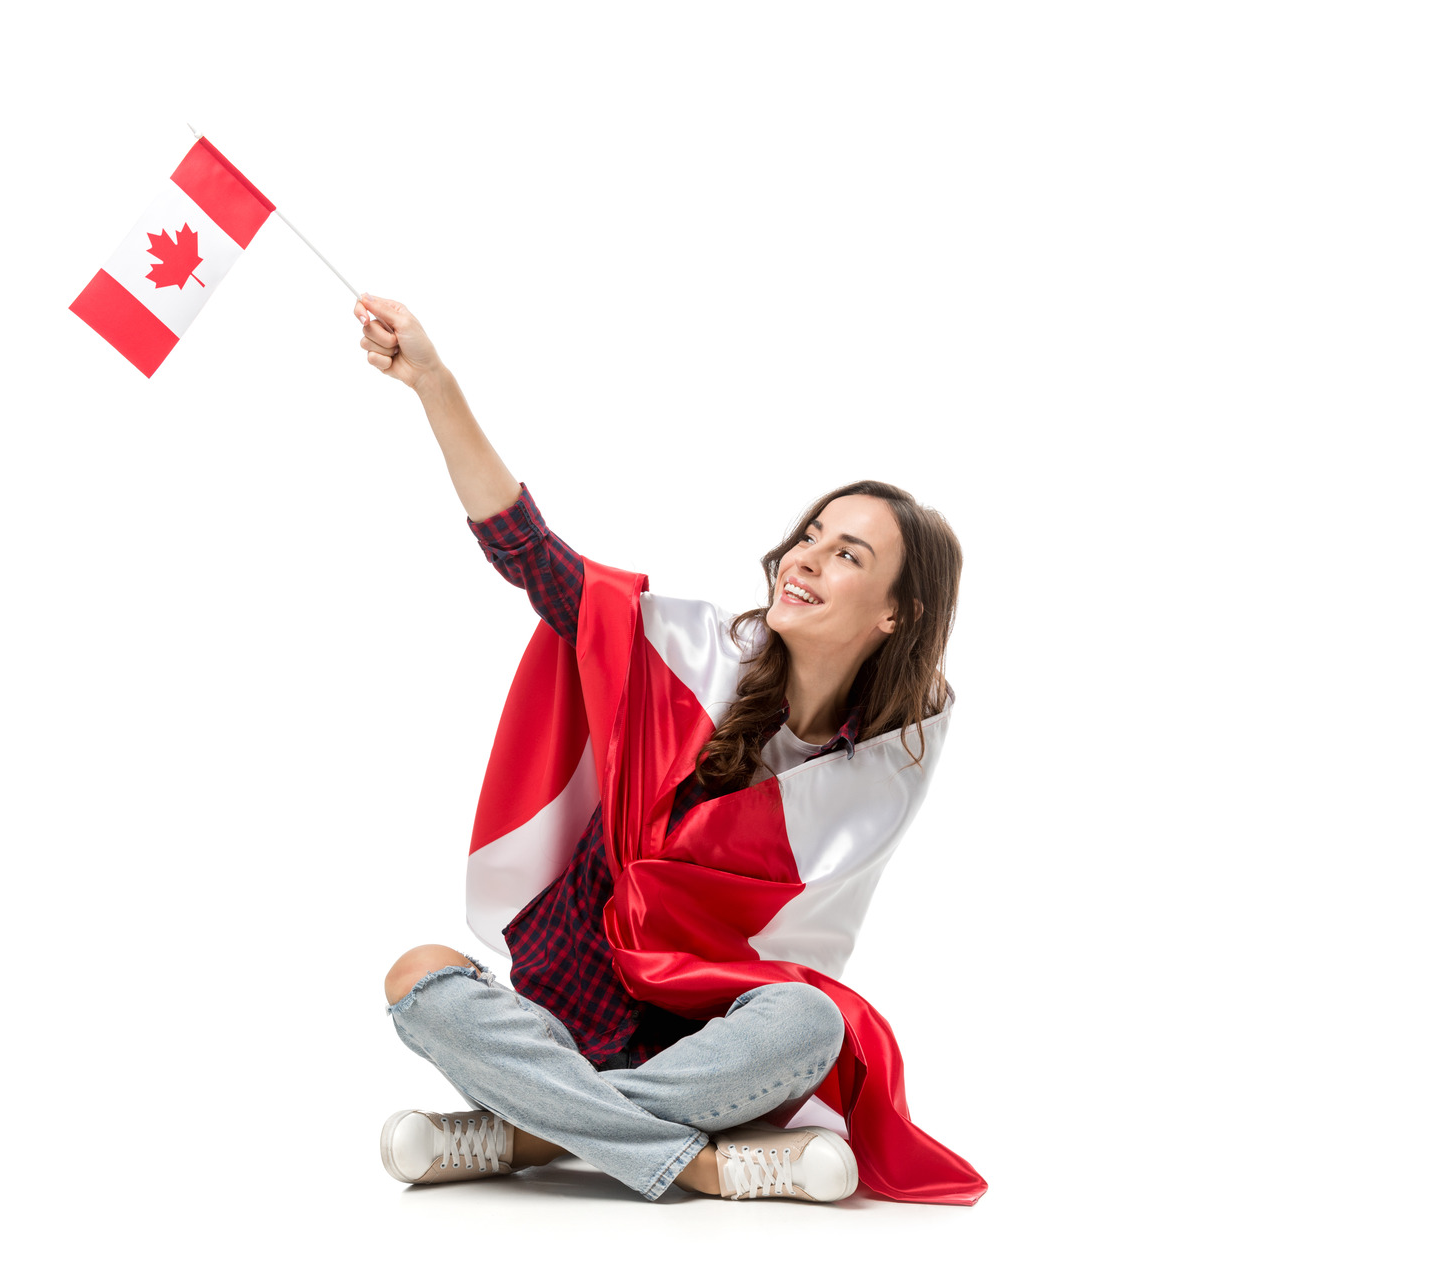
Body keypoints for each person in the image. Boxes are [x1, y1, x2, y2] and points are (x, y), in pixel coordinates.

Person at [354, 293, 985, 1204]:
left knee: (812, 1021)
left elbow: (787, 962)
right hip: (562, 1013)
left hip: (699, 1048)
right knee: (420, 977)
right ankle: (699, 1163)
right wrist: (434, 384)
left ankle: (530, 1136)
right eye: (810, 536)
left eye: (848, 555)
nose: (805, 558)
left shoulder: (879, 773)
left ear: (897, 614)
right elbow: (529, 553)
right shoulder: (687, 659)